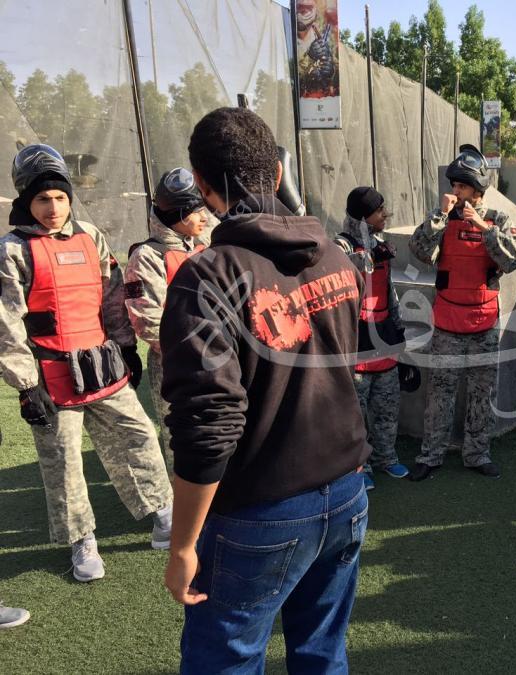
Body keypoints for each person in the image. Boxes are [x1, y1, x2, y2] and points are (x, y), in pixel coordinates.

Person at [161, 107, 370, 673]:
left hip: (262, 506)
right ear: (277, 172)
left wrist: (182, 545)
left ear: (201, 185)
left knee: (226, 659)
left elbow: (209, 422)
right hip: (348, 490)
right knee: (323, 652)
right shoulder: (335, 255)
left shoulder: (207, 275)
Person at [0, 145, 173, 582]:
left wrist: (125, 347)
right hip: (51, 375)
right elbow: (6, 322)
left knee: (138, 434)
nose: (53, 208)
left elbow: (112, 296)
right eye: (43, 199)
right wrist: (26, 385)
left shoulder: (90, 236)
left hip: (102, 365)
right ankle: (83, 541)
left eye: (60, 197)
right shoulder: (13, 250)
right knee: (63, 460)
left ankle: (163, 516)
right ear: (26, 200)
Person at [408, 145, 516, 481]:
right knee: (440, 393)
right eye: (454, 186)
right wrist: (439, 216)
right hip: (447, 322)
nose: (455, 192)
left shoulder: (498, 220)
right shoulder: (442, 219)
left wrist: (484, 228)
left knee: (481, 393)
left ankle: (477, 455)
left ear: (477, 189)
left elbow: (515, 258)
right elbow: (419, 251)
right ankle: (431, 456)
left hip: (484, 324)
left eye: (461, 186)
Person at [124, 168, 210, 474]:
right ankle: (184, 499)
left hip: (215, 358)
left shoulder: (201, 247)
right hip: (176, 363)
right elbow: (147, 319)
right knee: (181, 438)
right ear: (177, 213)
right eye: (196, 211)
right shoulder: (147, 256)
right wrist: (195, 350)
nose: (204, 217)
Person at [335, 187, 412, 490]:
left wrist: (399, 330)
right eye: (379, 211)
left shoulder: (381, 245)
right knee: (357, 414)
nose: (385, 215)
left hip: (384, 339)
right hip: (356, 343)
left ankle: (386, 458)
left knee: (387, 407)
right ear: (363, 216)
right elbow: (340, 275)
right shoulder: (341, 245)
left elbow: (389, 292)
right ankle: (360, 466)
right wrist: (365, 256)